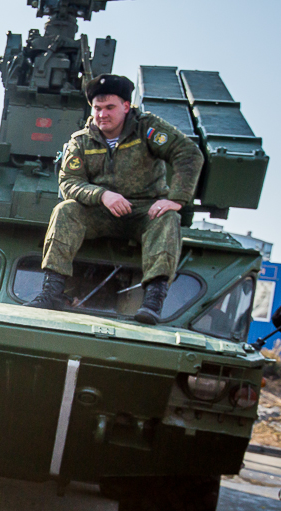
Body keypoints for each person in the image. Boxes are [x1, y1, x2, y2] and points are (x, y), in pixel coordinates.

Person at [26, 74, 203, 324]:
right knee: (66, 210)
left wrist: (176, 199)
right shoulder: (82, 140)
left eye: (110, 107)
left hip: (144, 212)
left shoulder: (147, 128)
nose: (102, 114)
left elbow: (188, 153)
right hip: (100, 212)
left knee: (168, 219)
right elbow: (69, 182)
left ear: (126, 106)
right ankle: (52, 291)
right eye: (97, 108)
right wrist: (102, 195)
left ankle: (153, 301)